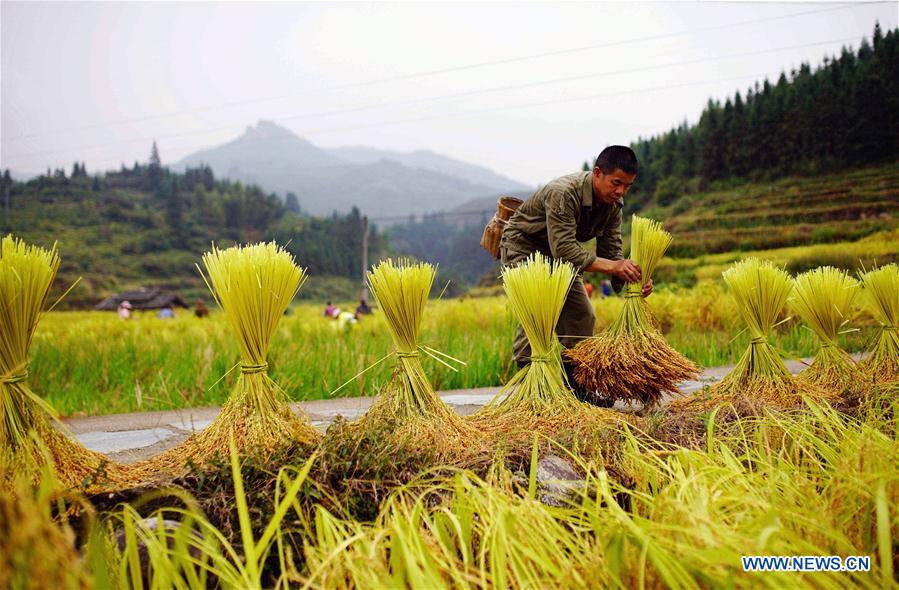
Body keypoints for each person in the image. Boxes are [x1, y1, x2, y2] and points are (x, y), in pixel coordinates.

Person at [499, 145, 653, 406]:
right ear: (597, 174)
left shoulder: (613, 205)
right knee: (537, 313)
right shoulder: (564, 193)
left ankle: (578, 389)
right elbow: (564, 250)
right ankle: (530, 385)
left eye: (627, 186)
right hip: (524, 247)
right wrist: (614, 266)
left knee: (583, 315)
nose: (620, 191)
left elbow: (612, 251)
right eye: (616, 183)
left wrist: (630, 278)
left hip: (559, 253)